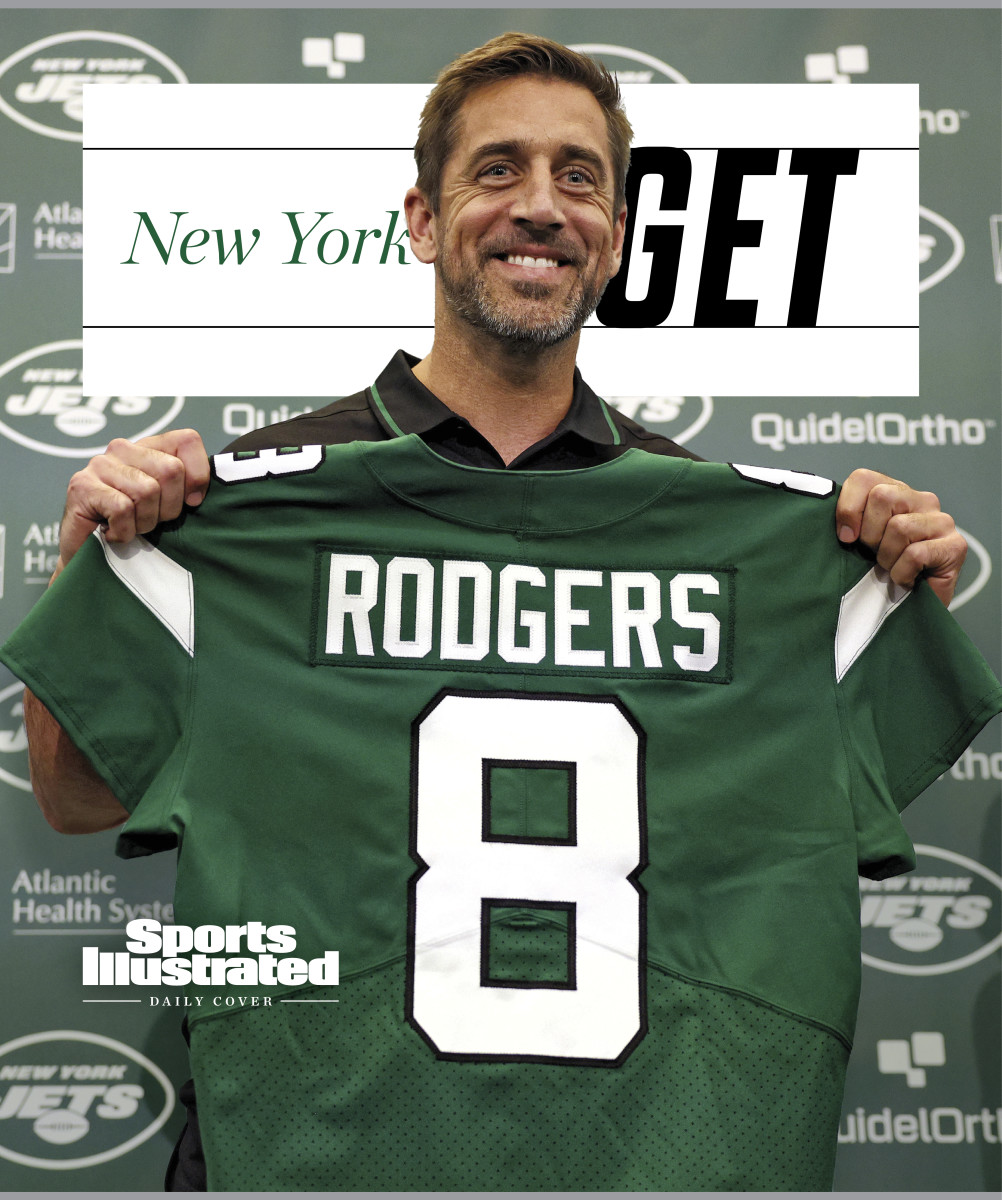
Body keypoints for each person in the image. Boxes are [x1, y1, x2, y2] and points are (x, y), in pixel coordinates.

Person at [5, 34, 996, 1192]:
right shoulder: (248, 505)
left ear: (616, 237)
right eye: (497, 171)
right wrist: (101, 560)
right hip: (307, 1152)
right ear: (423, 220)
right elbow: (75, 801)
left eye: (579, 178)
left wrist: (884, 578)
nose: (540, 205)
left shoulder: (761, 550)